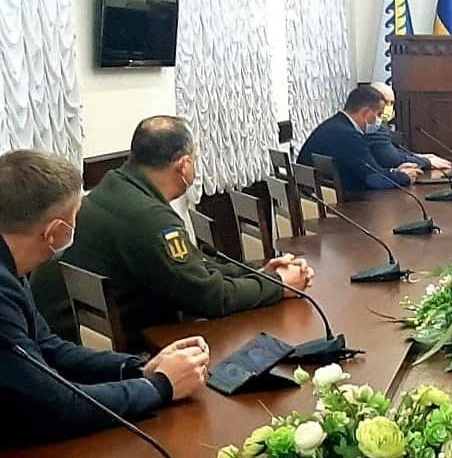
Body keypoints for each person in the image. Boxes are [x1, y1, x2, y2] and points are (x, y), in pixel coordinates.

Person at [31, 117, 313, 350]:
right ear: (184, 165)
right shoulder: (150, 218)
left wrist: (260, 273)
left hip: (64, 343)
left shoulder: (116, 187)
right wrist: (278, 285)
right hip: (111, 358)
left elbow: (195, 267)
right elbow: (211, 298)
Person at [0, 149, 210, 446]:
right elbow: (56, 405)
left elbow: (49, 347)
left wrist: (139, 368)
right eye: (75, 219)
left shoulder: (11, 268)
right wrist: (160, 386)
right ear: (55, 232)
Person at [297, 85, 422, 191]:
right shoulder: (348, 135)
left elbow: (371, 171)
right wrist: (404, 177)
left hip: (313, 197)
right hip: (336, 204)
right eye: (378, 114)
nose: (380, 120)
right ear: (366, 112)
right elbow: (374, 179)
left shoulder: (335, 126)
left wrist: (393, 172)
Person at [365, 82, 452, 172]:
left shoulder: (380, 126)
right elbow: (392, 159)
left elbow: (395, 152)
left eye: (392, 103)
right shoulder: (372, 126)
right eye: (386, 102)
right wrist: (427, 162)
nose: (389, 107)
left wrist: (418, 156)